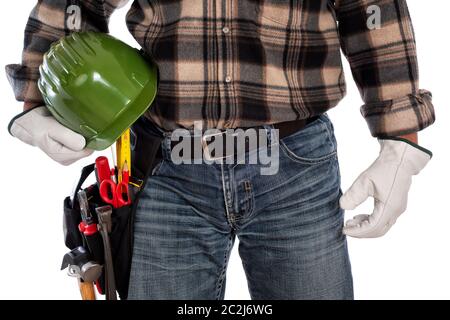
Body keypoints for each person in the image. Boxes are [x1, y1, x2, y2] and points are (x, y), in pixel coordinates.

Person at [6, 0, 434, 300]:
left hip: (295, 167)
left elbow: (370, 8)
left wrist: (400, 142)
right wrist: (36, 100)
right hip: (165, 170)